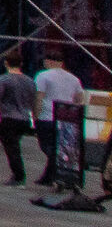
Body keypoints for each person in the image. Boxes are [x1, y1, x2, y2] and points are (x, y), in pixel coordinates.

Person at [36, 48, 84, 190]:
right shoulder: (74, 79)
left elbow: (39, 97)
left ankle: (53, 175)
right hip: (66, 119)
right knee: (59, 146)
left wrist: (36, 115)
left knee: (47, 147)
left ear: (48, 61)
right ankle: (49, 175)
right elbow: (79, 99)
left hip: (47, 116)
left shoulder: (43, 76)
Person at [0, 51, 37, 187]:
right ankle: (18, 174)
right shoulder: (30, 81)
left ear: (6, 63)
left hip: (9, 117)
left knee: (12, 148)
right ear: (21, 64)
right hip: (24, 118)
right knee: (15, 145)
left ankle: (18, 175)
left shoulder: (3, 79)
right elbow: (33, 100)